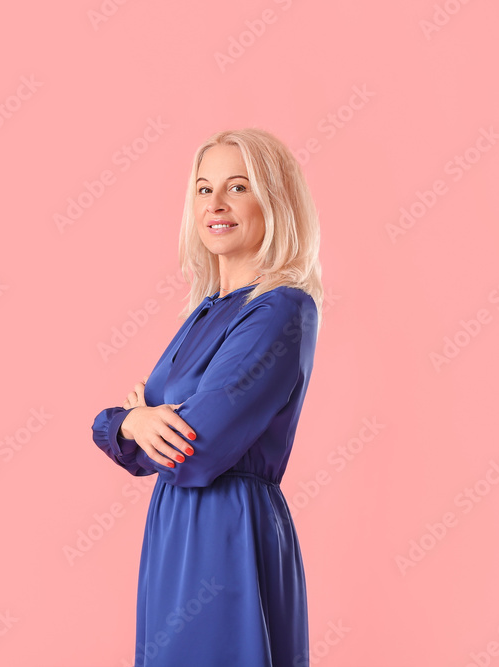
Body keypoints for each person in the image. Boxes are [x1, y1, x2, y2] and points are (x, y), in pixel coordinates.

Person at [91, 127, 324, 666]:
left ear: (275, 201)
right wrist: (130, 421)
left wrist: (136, 419)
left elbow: (191, 448)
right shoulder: (203, 311)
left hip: (227, 532)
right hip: (174, 530)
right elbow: (143, 429)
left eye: (238, 187)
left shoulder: (280, 310)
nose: (216, 204)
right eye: (203, 189)